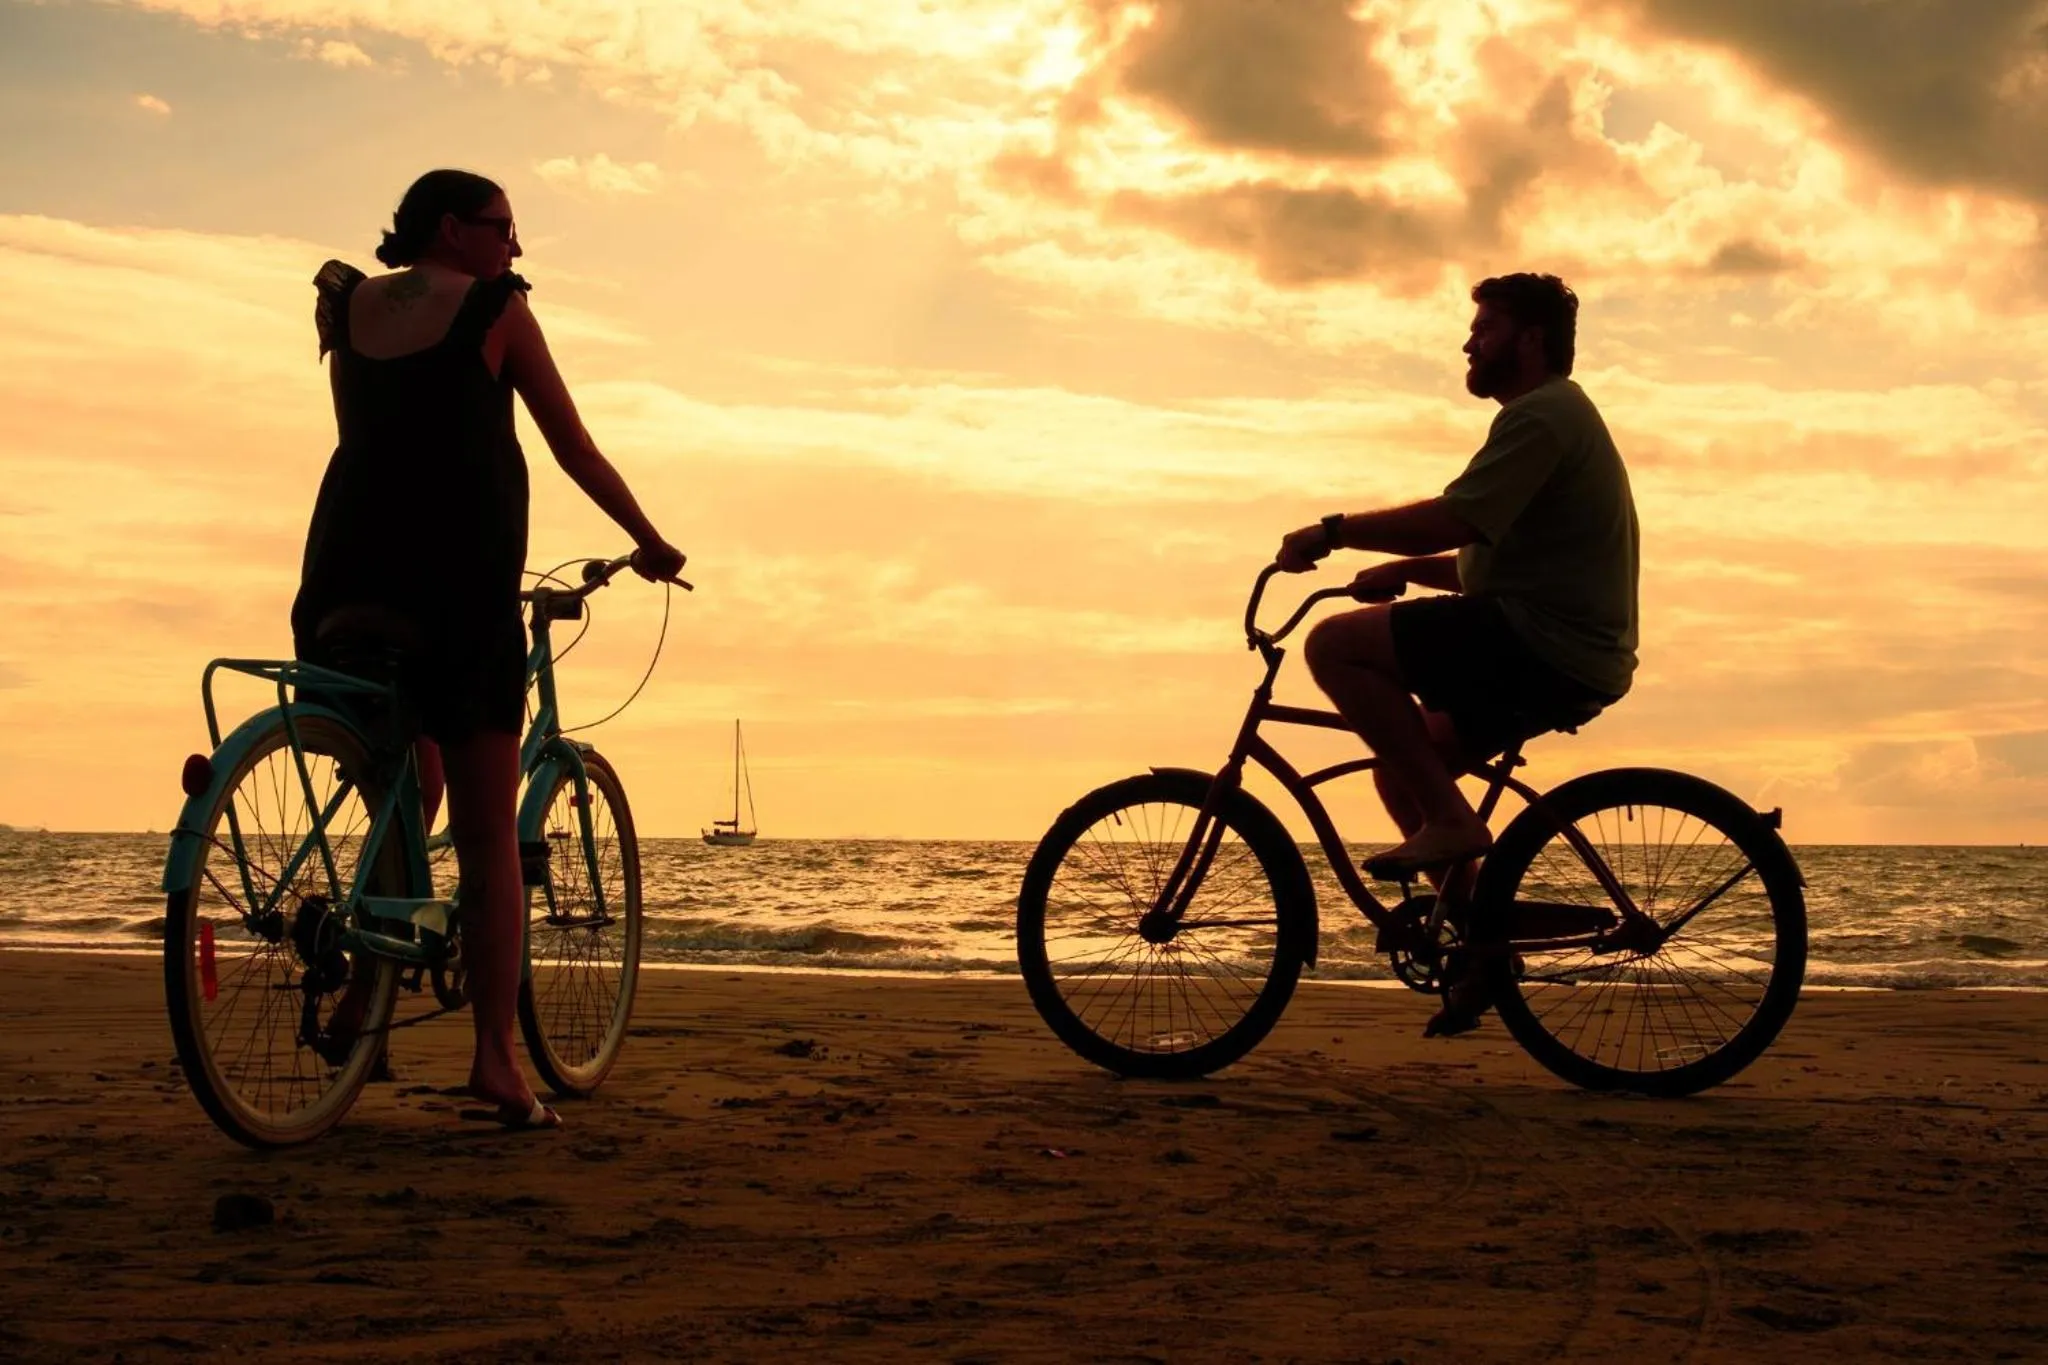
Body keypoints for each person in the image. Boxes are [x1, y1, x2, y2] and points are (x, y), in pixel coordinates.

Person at [293, 169, 686, 1128]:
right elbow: (573, 445)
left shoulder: (347, 308)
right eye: (504, 227)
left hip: (345, 575)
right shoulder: (496, 310)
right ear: (453, 228)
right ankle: (497, 1061)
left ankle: (362, 996)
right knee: (487, 838)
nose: (517, 247)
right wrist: (647, 538)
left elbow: (366, 442)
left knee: (406, 775)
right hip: (458, 588)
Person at [1274, 273, 1639, 1033]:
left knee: (1334, 646)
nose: (1468, 342)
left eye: (1486, 327)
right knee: (1403, 763)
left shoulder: (1542, 417)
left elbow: (1456, 518)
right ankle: (1485, 951)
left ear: (1530, 340)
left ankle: (1456, 822)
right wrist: (1407, 572)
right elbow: (1486, 555)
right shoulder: (1547, 421)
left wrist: (1332, 529)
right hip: (1558, 644)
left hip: (1543, 644)